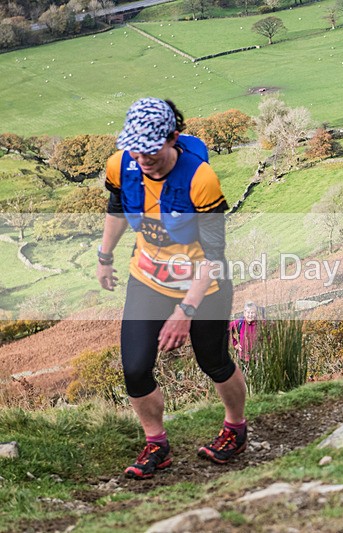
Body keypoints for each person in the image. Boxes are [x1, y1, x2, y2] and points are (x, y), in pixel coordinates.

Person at [97, 97, 247, 480]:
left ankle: (235, 428)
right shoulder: (121, 164)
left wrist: (186, 311)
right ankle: (156, 444)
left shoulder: (200, 179)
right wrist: (105, 256)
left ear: (172, 139)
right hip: (148, 278)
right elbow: (117, 207)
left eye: (151, 148)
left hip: (204, 284)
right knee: (134, 367)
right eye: (136, 147)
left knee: (213, 361)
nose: (143, 157)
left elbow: (214, 254)